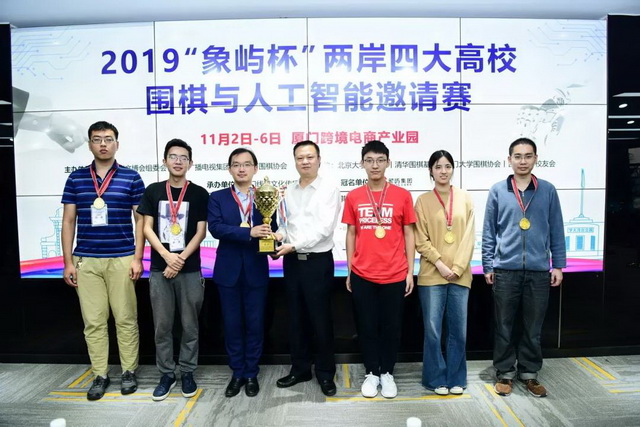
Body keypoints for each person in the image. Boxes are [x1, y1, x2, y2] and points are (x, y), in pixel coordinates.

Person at [61, 121, 145, 400]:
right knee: (94, 322)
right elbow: (68, 221)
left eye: (108, 139)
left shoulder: (131, 178)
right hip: (86, 260)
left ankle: (129, 371)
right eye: (97, 139)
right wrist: (68, 262)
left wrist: (137, 258)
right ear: (90, 145)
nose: (103, 144)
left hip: (122, 258)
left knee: (126, 319)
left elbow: (140, 220)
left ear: (117, 144)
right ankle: (100, 374)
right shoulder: (76, 179)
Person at [482, 137, 566, 398]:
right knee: (504, 325)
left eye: (528, 156)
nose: (522, 161)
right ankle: (505, 373)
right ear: (509, 160)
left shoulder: (548, 190)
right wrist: (488, 264)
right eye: (517, 156)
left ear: (535, 159)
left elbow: (557, 229)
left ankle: (529, 373)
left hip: (539, 271)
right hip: (505, 270)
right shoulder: (498, 190)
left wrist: (558, 265)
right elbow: (489, 231)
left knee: (533, 326)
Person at [342, 140, 416, 399]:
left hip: (395, 273)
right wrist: (350, 270)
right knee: (367, 326)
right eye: (370, 160)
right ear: (362, 163)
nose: (375, 165)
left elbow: (409, 233)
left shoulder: (402, 195)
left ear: (388, 162)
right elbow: (351, 233)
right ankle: (372, 372)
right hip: (363, 274)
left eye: (380, 160)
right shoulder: (354, 196)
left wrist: (409, 271)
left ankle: (387, 372)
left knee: (391, 327)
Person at [136, 139, 209, 401]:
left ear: (191, 163)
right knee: (162, 326)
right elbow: (146, 228)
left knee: (190, 326)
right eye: (173, 156)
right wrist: (167, 257)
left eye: (183, 157)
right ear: (164, 161)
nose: (178, 161)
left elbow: (200, 232)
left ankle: (187, 371)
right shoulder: (153, 190)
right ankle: (166, 373)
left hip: (190, 270)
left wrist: (180, 260)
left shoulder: (199, 193)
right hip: (159, 269)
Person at [273, 140, 341, 397]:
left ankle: (325, 373)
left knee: (320, 319)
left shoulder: (329, 189)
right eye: (300, 157)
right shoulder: (287, 191)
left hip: (317, 262)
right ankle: (300, 368)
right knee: (295, 317)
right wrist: (278, 237)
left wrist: (293, 245)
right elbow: (284, 224)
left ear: (319, 159)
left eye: (310, 157)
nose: (305, 161)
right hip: (292, 263)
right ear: (294, 161)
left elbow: (324, 229)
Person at [208, 148, 275, 398]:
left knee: (255, 325)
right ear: (229, 169)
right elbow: (216, 228)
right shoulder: (217, 197)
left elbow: (274, 227)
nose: (242, 169)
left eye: (247, 164)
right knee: (232, 325)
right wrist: (249, 232)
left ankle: (251, 373)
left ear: (255, 169)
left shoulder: (266, 195)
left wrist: (274, 243)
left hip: (256, 269)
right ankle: (237, 373)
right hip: (228, 272)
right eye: (236, 164)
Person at [414, 150, 475, 396]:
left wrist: (458, 268)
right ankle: (435, 379)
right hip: (432, 274)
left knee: (458, 330)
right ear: (431, 170)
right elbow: (420, 239)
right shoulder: (422, 201)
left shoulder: (465, 198)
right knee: (433, 331)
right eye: (438, 167)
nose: (443, 171)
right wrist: (440, 264)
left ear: (453, 169)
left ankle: (456, 378)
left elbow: (469, 237)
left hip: (461, 275)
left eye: (447, 166)